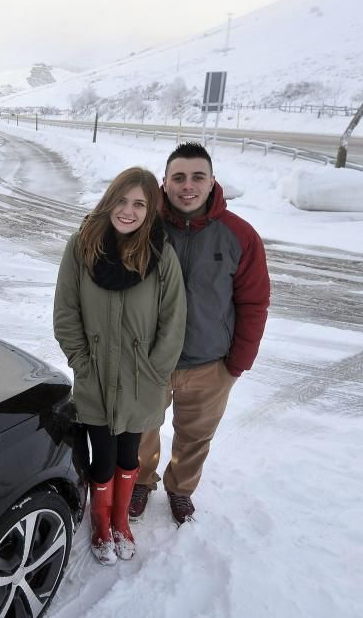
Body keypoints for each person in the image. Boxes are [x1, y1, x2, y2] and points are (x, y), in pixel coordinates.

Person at [129, 142, 270, 524]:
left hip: (210, 363)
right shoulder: (142, 225)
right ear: (165, 182)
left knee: (194, 437)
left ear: (212, 183)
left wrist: (237, 363)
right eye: (178, 177)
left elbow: (254, 303)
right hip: (150, 360)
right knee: (142, 428)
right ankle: (141, 481)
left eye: (197, 177)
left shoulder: (240, 235)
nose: (187, 186)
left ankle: (181, 489)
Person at [54, 167, 187, 565]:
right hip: (95, 374)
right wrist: (81, 360)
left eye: (139, 204)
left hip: (140, 379)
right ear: (110, 200)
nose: (128, 211)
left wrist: (154, 371)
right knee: (102, 453)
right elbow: (66, 311)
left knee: (130, 454)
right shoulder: (82, 245)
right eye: (122, 200)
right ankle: (100, 523)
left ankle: (120, 522)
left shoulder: (160, 253)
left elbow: (173, 319)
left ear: (150, 210)